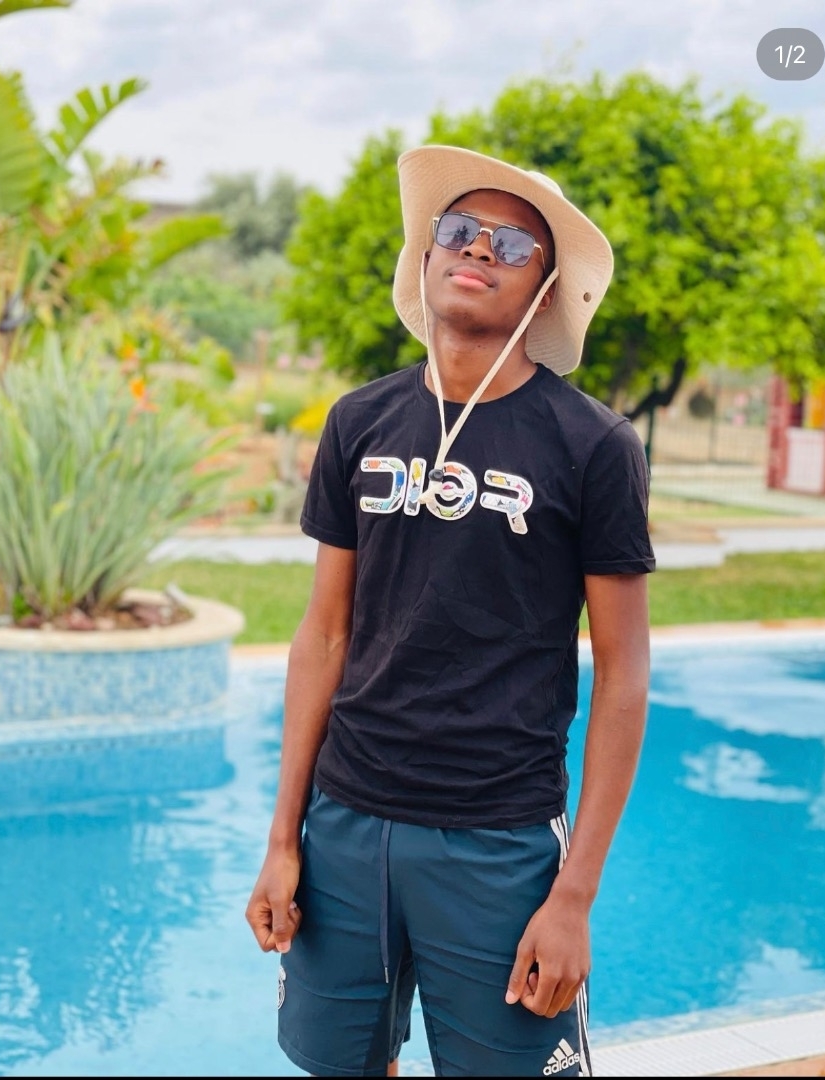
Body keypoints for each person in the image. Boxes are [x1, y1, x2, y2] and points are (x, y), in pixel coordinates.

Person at [245, 144, 656, 1078]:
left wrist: (573, 897)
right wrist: (282, 839)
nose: (477, 250)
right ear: (426, 255)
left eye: (510, 244)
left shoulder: (593, 447)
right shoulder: (359, 421)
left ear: (544, 293)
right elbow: (324, 634)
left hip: (498, 839)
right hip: (344, 824)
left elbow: (623, 676)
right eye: (459, 230)